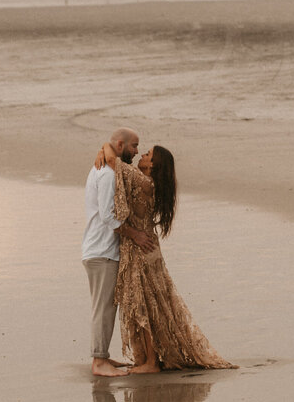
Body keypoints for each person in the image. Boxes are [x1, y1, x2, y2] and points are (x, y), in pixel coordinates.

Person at [96, 141, 236, 373]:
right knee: (150, 303)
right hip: (146, 248)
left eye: (148, 154)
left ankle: (151, 362)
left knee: (144, 304)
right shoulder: (148, 183)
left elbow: (112, 158)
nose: (142, 154)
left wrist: (102, 147)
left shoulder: (144, 182)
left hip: (141, 250)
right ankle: (151, 359)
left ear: (153, 165)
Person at [82, 127, 155, 377]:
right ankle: (99, 361)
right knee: (103, 308)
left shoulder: (110, 167)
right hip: (101, 251)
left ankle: (102, 356)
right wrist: (135, 234)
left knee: (105, 307)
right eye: (134, 146)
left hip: (101, 250)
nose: (136, 152)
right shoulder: (106, 173)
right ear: (121, 144)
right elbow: (107, 216)